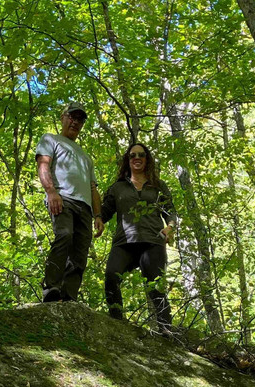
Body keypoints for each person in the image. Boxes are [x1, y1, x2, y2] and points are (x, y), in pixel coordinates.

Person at [98, 143, 175, 329]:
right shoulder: (118, 187)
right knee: (111, 276)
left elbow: (170, 211)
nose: (137, 158)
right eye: (132, 155)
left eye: (141, 154)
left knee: (155, 287)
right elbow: (104, 211)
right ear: (128, 160)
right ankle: (117, 323)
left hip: (152, 241)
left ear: (147, 159)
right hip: (125, 241)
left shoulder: (158, 186)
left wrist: (170, 227)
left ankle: (167, 331)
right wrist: (97, 218)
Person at [35, 103, 104, 302]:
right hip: (62, 198)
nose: (75, 122)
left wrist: (98, 215)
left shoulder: (86, 157)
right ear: (63, 118)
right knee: (64, 235)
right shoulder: (51, 139)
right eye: (72, 117)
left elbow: (93, 188)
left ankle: (69, 296)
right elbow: (43, 164)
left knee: (80, 252)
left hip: (85, 207)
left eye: (80, 119)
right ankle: (51, 288)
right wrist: (51, 192)